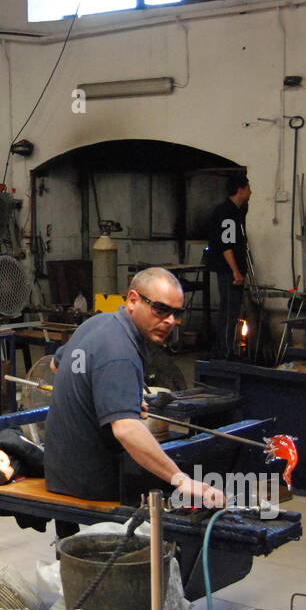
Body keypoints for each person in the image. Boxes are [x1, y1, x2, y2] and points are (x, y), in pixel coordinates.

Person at [43, 267, 226, 507]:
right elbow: (126, 430)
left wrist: (111, 395)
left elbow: (57, 364)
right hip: (91, 482)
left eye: (176, 313)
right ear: (133, 300)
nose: (170, 320)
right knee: (189, 487)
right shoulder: (120, 352)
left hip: (59, 468)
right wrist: (180, 480)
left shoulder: (99, 322)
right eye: (160, 309)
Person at [203, 172, 251, 360]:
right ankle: (224, 351)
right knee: (229, 310)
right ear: (240, 189)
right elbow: (226, 244)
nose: (251, 192)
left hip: (228, 269)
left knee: (229, 310)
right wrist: (235, 271)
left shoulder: (233, 212)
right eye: (248, 187)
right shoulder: (228, 212)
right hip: (228, 270)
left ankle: (224, 348)